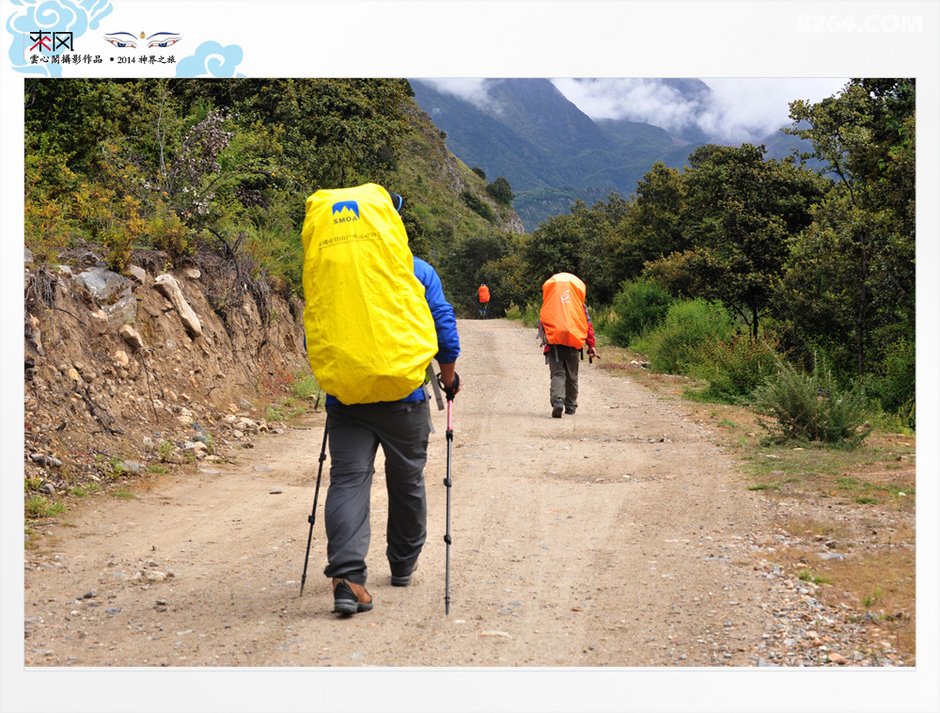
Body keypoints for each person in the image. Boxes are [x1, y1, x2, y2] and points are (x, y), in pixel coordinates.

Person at [322, 193, 461, 617]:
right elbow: (443, 323)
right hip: (404, 398)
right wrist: (449, 376)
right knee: (407, 482)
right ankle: (402, 563)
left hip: (347, 397)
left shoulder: (331, 267)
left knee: (348, 480)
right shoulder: (416, 270)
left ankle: (347, 579)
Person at [537, 272, 598, 419]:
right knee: (572, 376)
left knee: (558, 374)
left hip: (554, 346)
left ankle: (558, 400)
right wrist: (591, 345)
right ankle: (570, 406)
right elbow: (587, 325)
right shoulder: (579, 305)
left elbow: (542, 325)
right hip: (573, 344)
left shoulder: (551, 302)